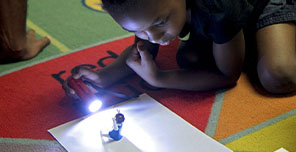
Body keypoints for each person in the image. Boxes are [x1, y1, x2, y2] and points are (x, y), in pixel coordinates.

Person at [63, 0, 296, 96]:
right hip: (224, 17)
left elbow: (226, 76)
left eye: (160, 22)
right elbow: (143, 52)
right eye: (137, 31)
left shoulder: (217, 6)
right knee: (190, 60)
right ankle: (243, 39)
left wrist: (159, 79)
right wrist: (103, 76)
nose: (153, 38)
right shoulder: (150, 10)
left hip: (267, 4)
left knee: (278, 75)